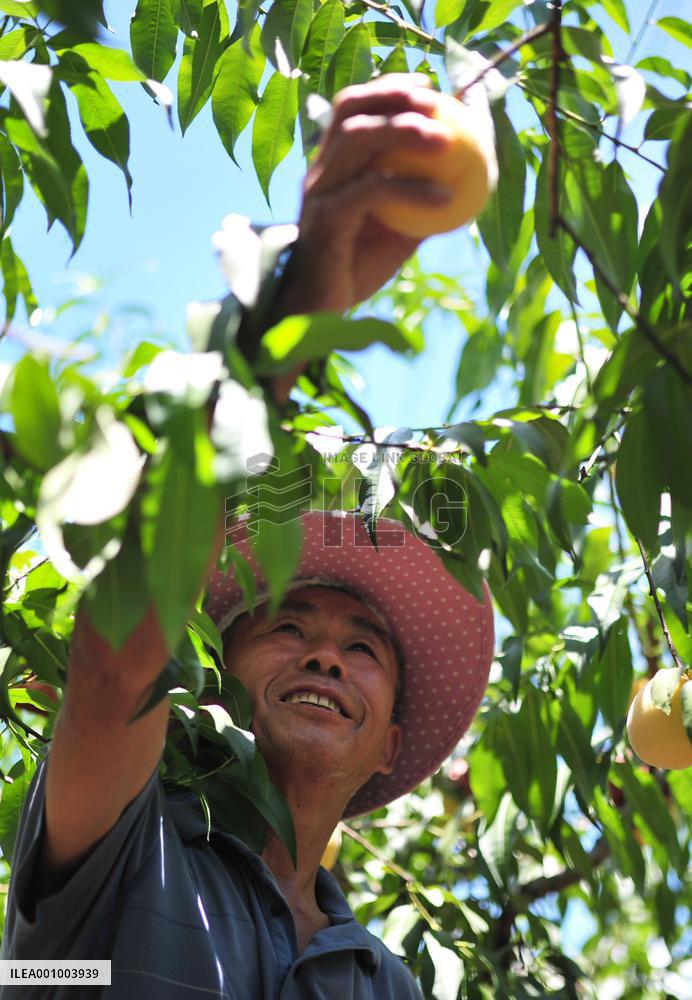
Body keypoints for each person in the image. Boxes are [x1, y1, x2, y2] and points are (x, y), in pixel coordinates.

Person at [0, 75, 494, 998]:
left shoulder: (387, 985)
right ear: (216, 676)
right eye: (287, 626)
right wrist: (286, 322)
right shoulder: (123, 850)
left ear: (391, 744)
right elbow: (114, 672)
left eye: (362, 648)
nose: (326, 659)